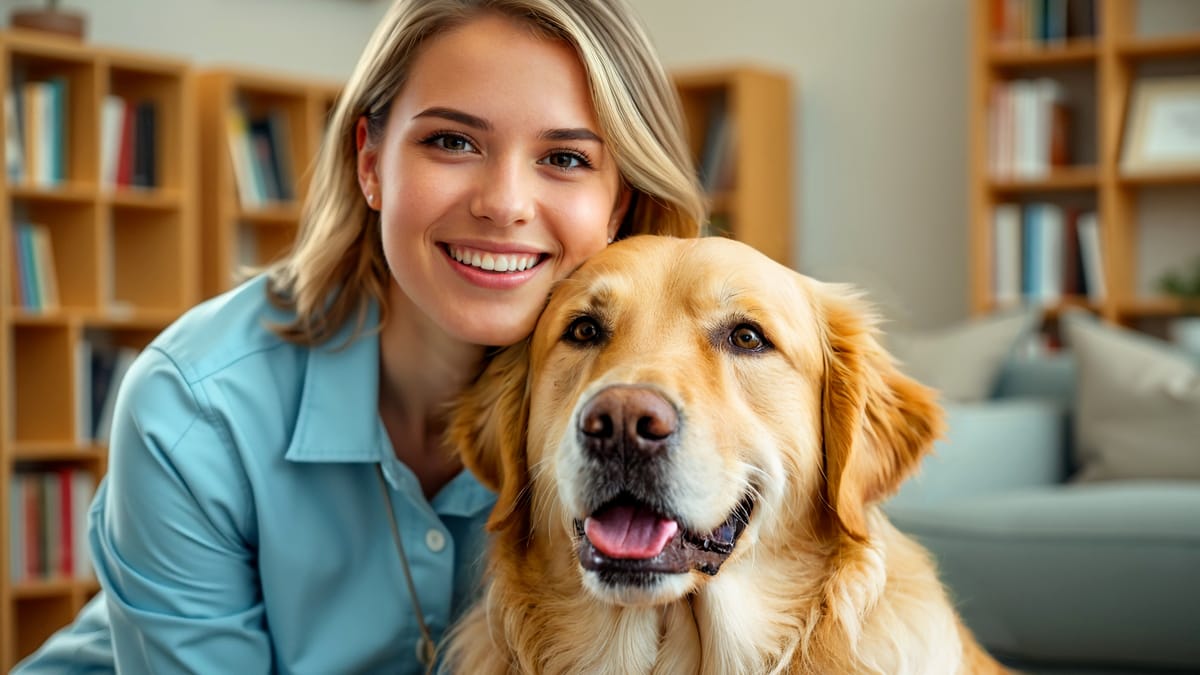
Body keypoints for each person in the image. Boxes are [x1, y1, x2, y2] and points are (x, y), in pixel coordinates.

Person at [13, 0, 705, 673]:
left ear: (617, 200)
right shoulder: (193, 409)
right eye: (453, 141)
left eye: (564, 158)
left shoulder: (652, 420)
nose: (504, 203)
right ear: (371, 162)